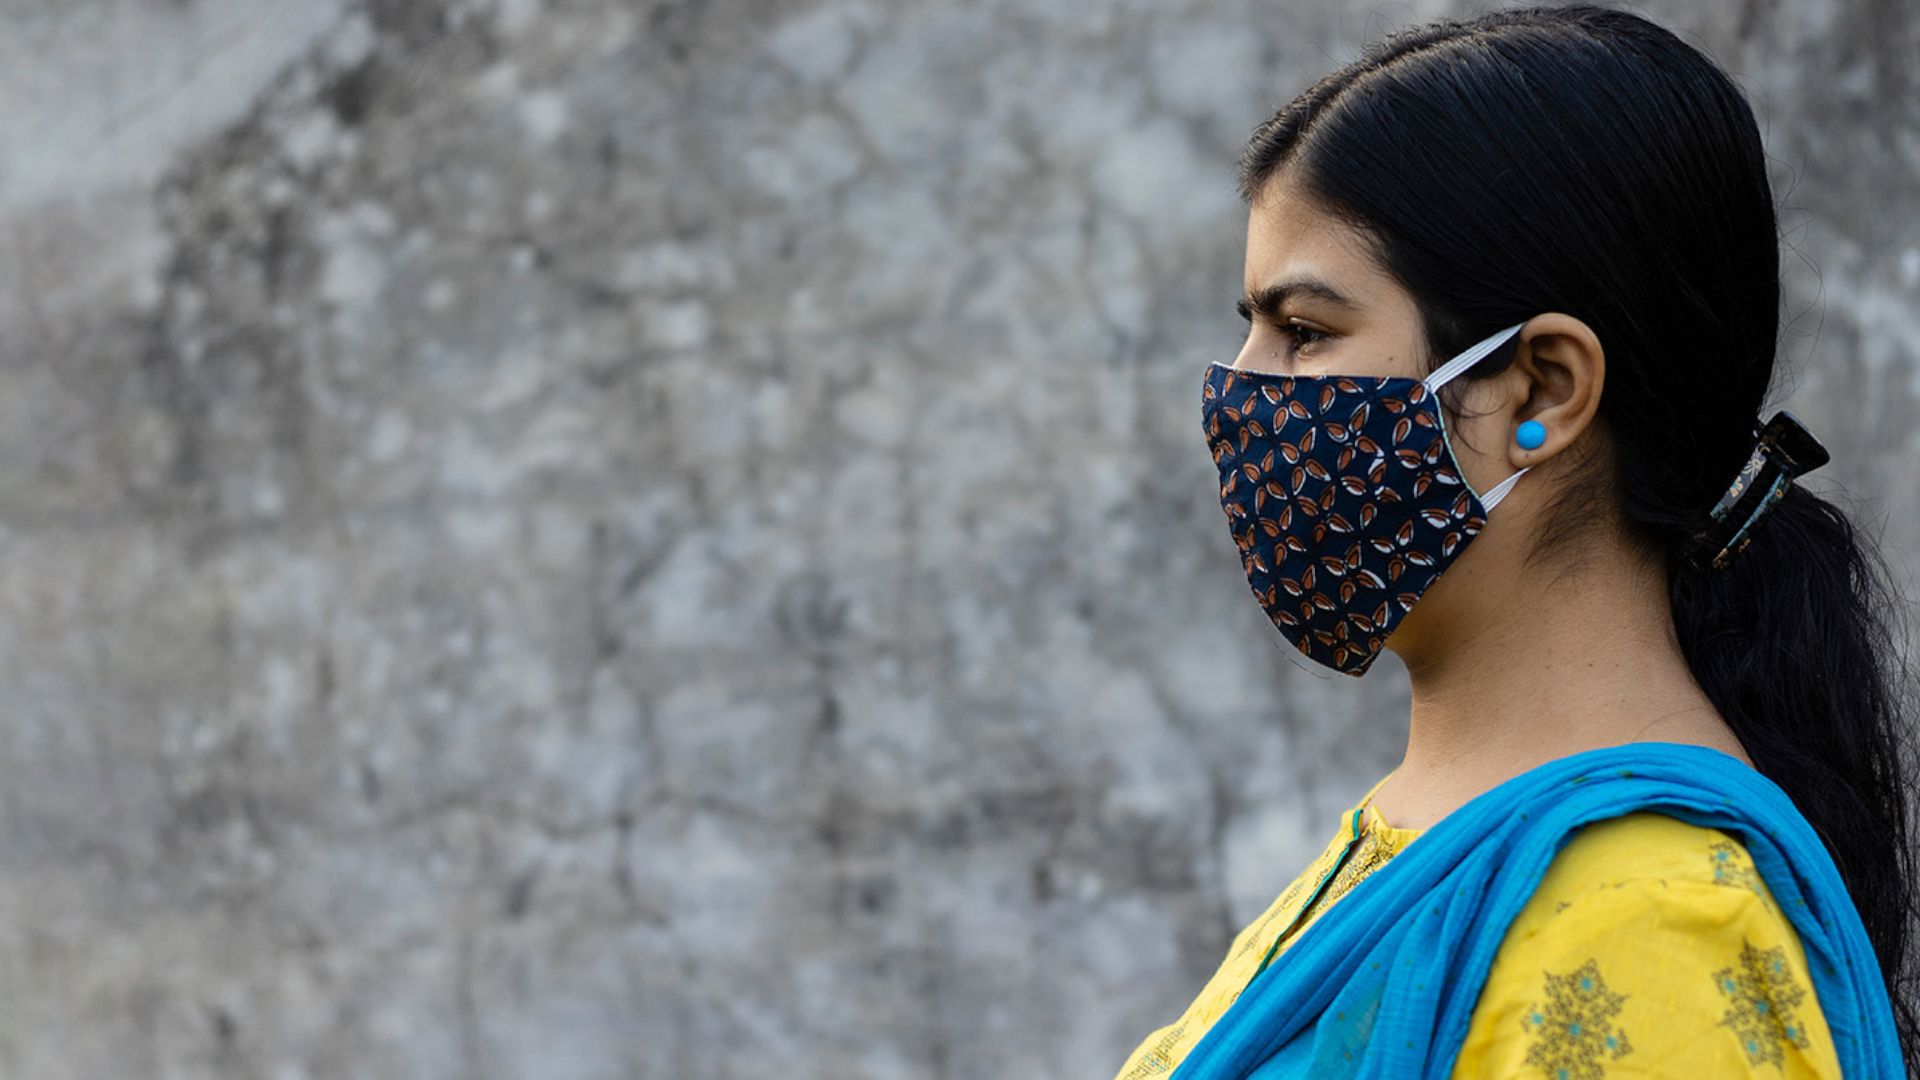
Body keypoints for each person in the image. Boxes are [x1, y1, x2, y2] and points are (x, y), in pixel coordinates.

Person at [1111, 5, 1917, 1077]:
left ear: (1541, 391)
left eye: (1304, 331)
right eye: (1250, 326)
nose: (1237, 392)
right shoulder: (1418, 836)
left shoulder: (1649, 925)